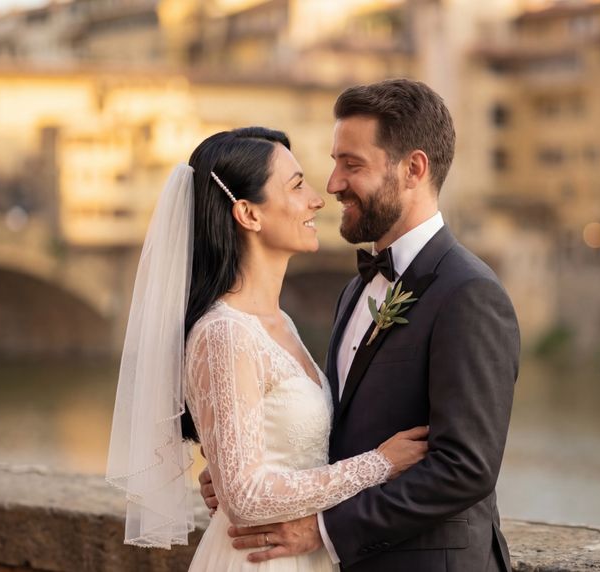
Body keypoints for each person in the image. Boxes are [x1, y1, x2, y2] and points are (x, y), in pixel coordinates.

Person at [199, 79, 521, 571]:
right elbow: (335, 431)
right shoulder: (353, 293)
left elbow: (465, 468)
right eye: (333, 163)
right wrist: (245, 469)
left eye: (352, 165)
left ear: (413, 169)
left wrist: (324, 529)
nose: (331, 185)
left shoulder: (468, 293)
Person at [106, 127, 429, 571]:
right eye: (297, 186)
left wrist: (225, 465)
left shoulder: (282, 323)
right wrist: (378, 465)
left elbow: (265, 455)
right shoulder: (225, 332)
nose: (318, 199)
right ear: (248, 215)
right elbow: (246, 498)